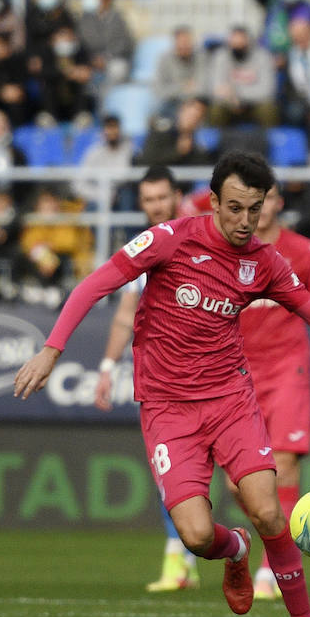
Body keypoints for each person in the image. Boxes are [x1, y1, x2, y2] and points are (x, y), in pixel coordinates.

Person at [14, 151, 310, 617]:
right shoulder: (170, 239)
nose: (245, 221)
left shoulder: (266, 263)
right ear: (213, 201)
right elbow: (96, 283)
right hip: (167, 408)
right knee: (197, 536)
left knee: (268, 511)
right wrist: (52, 349)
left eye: (255, 208)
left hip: (229, 399)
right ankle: (235, 550)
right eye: (235, 208)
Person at [237, 185, 310, 598]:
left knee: (283, 467)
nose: (258, 209)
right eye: (248, 202)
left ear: (277, 204)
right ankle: (269, 540)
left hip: (288, 369)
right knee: (239, 483)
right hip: (234, 375)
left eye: (265, 199)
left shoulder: (304, 252)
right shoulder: (227, 250)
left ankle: (273, 566)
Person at [93, 167, 201, 591]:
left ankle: (257, 563)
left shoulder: (201, 238)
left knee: (234, 480)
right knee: (169, 474)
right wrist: (106, 367)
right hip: (164, 382)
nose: (156, 206)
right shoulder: (144, 251)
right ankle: (180, 560)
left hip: (213, 379)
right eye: (148, 200)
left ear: (177, 196)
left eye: (162, 198)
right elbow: (124, 315)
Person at [207, 26, 281, 128]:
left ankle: (269, 141)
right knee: (216, 110)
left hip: (255, 105)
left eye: (241, 43)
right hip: (229, 105)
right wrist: (231, 99)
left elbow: (267, 91)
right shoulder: (221, 57)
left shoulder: (263, 56)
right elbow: (216, 89)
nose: (237, 46)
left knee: (268, 109)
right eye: (234, 43)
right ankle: (215, 142)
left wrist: (236, 95)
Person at [75, 0, 134, 92]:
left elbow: (125, 44)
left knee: (117, 70)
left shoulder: (116, 18)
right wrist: (92, 59)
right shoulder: (85, 19)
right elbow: (81, 43)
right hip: (91, 61)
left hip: (112, 61)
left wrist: (106, 58)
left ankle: (106, 103)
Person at [151, 26, 209, 120]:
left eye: (187, 42)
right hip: (172, 104)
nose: (184, 46)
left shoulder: (201, 57)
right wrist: (182, 87)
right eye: (181, 43)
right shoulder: (164, 59)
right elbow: (158, 90)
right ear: (175, 43)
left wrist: (189, 98)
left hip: (196, 104)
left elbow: (203, 86)